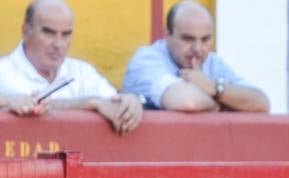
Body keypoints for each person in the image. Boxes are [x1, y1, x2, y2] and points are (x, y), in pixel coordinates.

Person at [0, 0, 142, 134]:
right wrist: (89, 103)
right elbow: (33, 109)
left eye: (66, 34)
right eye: (49, 33)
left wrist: (129, 103)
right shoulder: (3, 72)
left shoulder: (81, 72)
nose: (58, 44)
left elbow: (112, 105)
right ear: (26, 31)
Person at [123, 1, 268, 113]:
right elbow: (187, 101)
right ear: (167, 35)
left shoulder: (212, 62)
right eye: (188, 39)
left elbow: (261, 103)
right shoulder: (147, 59)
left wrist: (213, 87)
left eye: (205, 39)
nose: (197, 49)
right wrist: (222, 104)